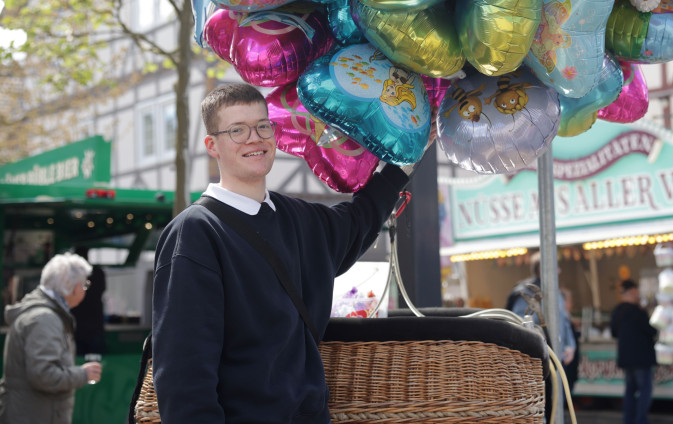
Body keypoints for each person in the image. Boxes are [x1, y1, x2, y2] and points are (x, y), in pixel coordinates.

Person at [152, 82, 411, 424]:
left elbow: (359, 221)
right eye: (237, 130)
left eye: (262, 126)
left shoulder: (299, 218)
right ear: (212, 146)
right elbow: (184, 377)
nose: (254, 138)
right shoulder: (195, 233)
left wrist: (409, 150)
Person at [0, 253, 102, 424]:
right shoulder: (44, 319)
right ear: (72, 286)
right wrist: (83, 374)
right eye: (84, 284)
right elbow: (44, 376)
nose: (85, 290)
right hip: (34, 415)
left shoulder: (42, 314)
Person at [506, 252, 577, 368]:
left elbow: (565, 320)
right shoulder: (526, 293)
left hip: (559, 358)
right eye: (556, 267)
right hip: (539, 360)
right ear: (542, 269)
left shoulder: (556, 292)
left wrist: (570, 345)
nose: (559, 271)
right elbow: (521, 326)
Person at [611, 279, 656, 424]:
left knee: (630, 391)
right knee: (644, 391)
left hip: (626, 358)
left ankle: (628, 420)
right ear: (633, 292)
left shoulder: (617, 311)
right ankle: (640, 420)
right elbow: (651, 331)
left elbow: (613, 332)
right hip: (641, 359)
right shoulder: (638, 312)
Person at [70, 246, 106, 356]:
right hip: (93, 327)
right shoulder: (98, 272)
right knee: (96, 363)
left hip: (78, 327)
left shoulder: (73, 275)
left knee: (77, 363)